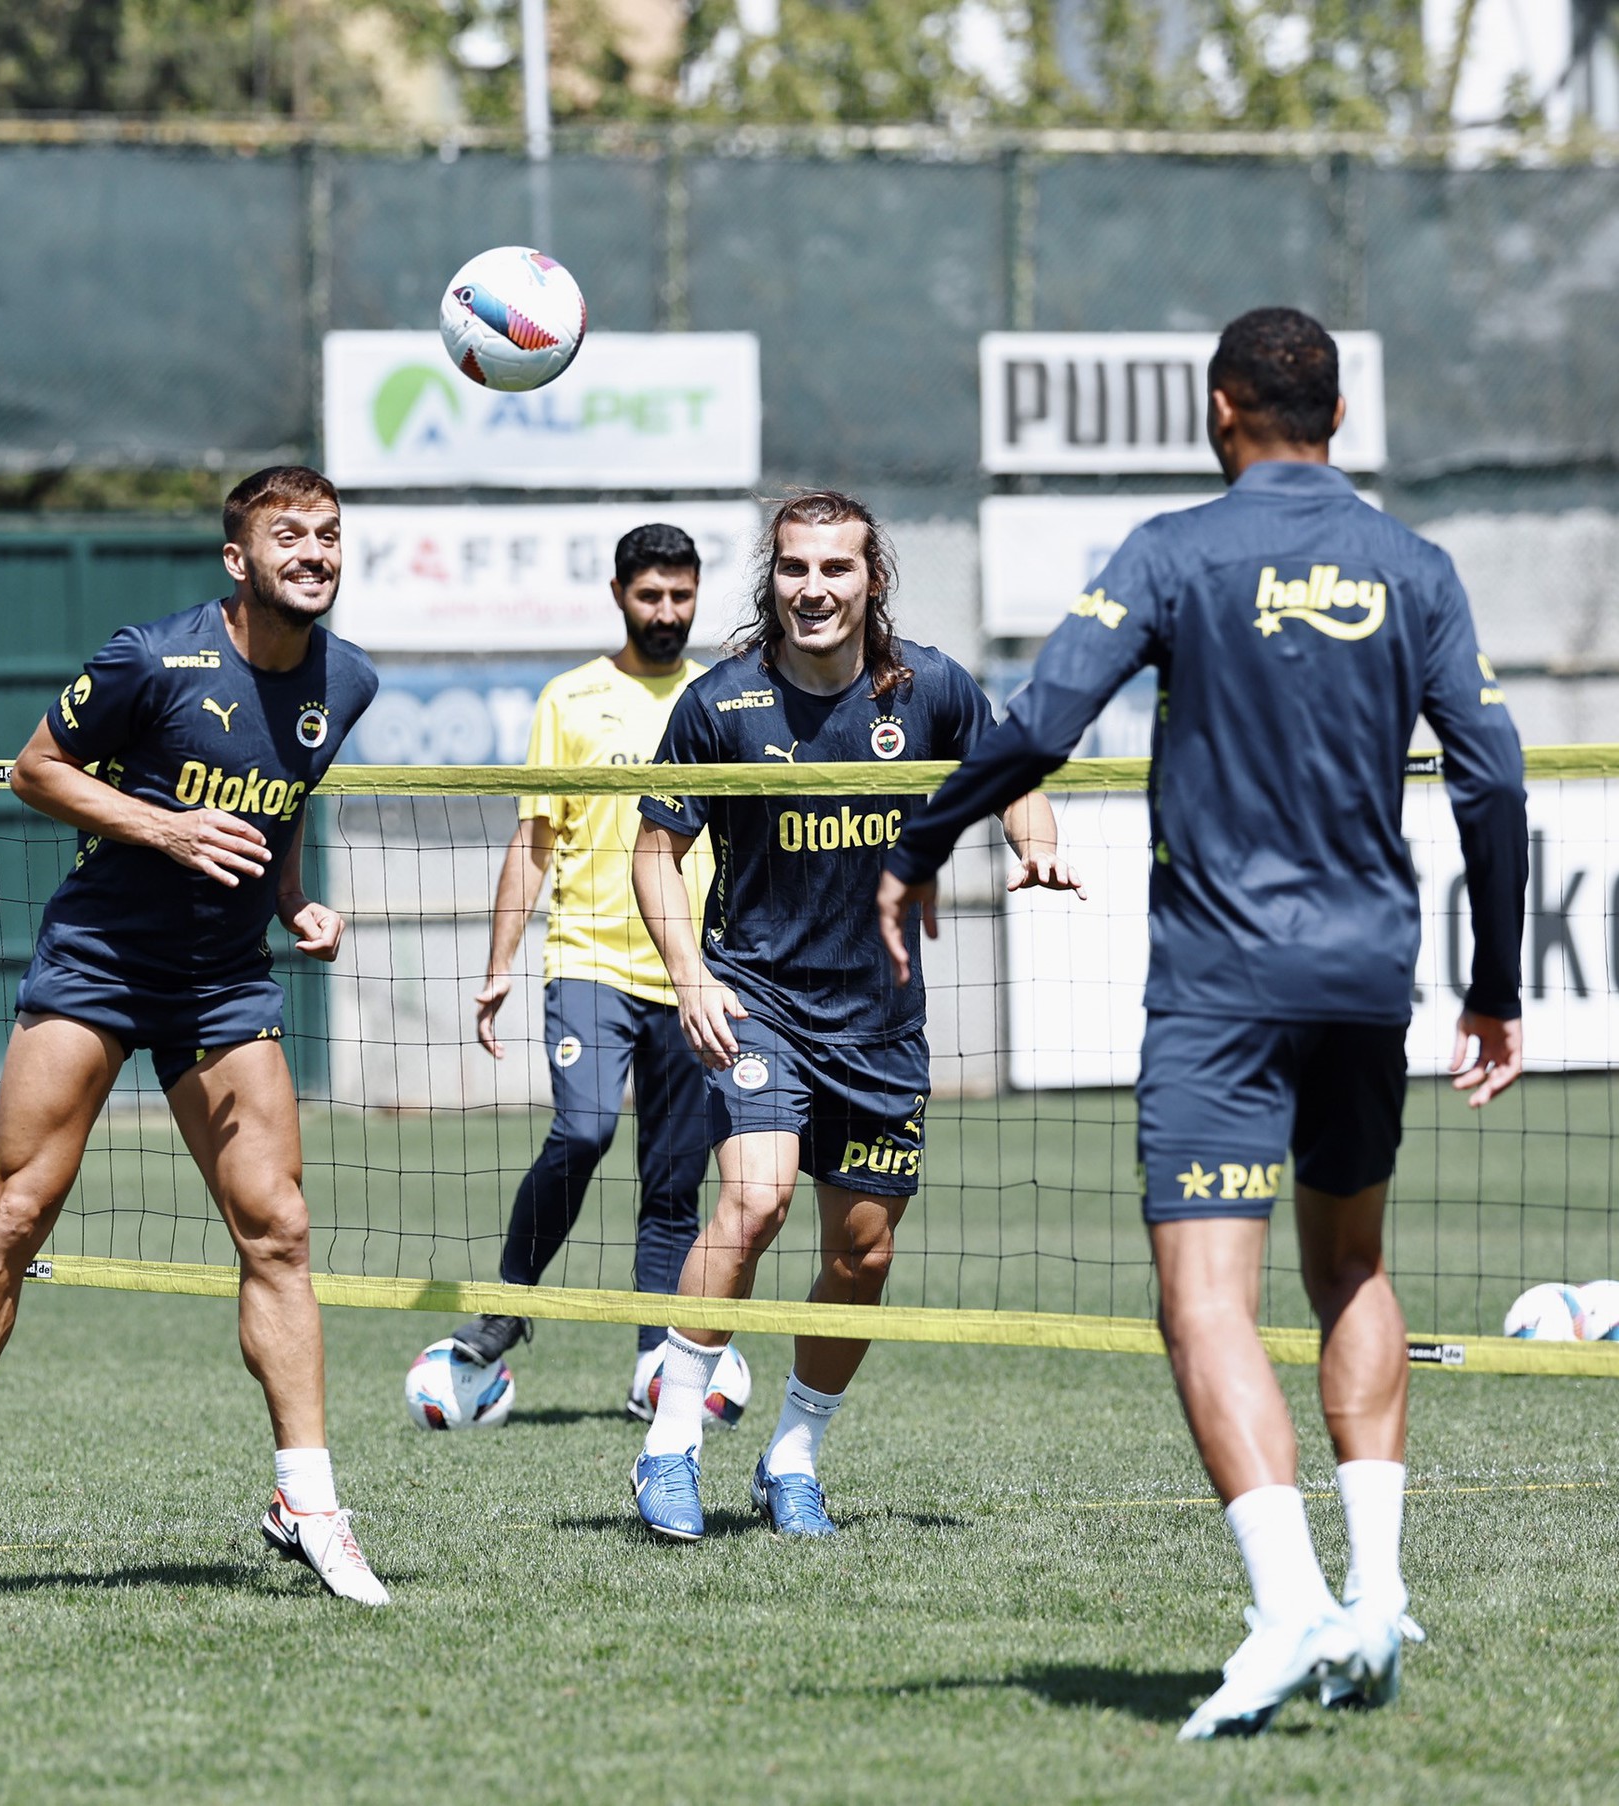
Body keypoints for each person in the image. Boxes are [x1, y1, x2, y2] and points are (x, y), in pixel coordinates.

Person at [875, 308, 1528, 1738]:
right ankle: (1375, 1598)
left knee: (1204, 1301)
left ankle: (1290, 1605)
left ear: (1219, 407)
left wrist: (915, 848)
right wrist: (1493, 984)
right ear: (1336, 414)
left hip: (1222, 984)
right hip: (1366, 976)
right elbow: (1488, 776)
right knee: (1349, 1265)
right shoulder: (1409, 566)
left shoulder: (1174, 551)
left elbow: (1038, 718)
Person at [0, 466, 390, 1610]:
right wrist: (163, 830)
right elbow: (37, 771)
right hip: (97, 964)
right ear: (239, 560)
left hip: (223, 982)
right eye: (290, 537)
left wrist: (293, 904)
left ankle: (308, 1501)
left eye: (329, 537)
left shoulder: (349, 681)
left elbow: (283, 806)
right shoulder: (152, 657)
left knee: (278, 1231)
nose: (314, 553)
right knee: (17, 1214)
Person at [629, 490, 1080, 1542]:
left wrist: (1035, 835)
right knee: (754, 1201)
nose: (814, 589)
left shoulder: (925, 687)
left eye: (835, 569)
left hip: (880, 1022)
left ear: (871, 577)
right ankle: (669, 1449)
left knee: (862, 1255)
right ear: (770, 580)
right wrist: (690, 976)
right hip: (760, 1001)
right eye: (794, 569)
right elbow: (655, 853)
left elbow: (1014, 766)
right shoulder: (718, 704)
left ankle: (790, 1460)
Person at [451, 524, 729, 1417]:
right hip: (588, 961)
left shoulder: (726, 700)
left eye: (680, 596)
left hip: (694, 973)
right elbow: (533, 841)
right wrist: (499, 961)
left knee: (675, 1177)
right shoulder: (570, 699)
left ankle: (658, 1361)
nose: (666, 613)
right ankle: (508, 1306)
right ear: (618, 594)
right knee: (581, 1133)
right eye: (650, 596)